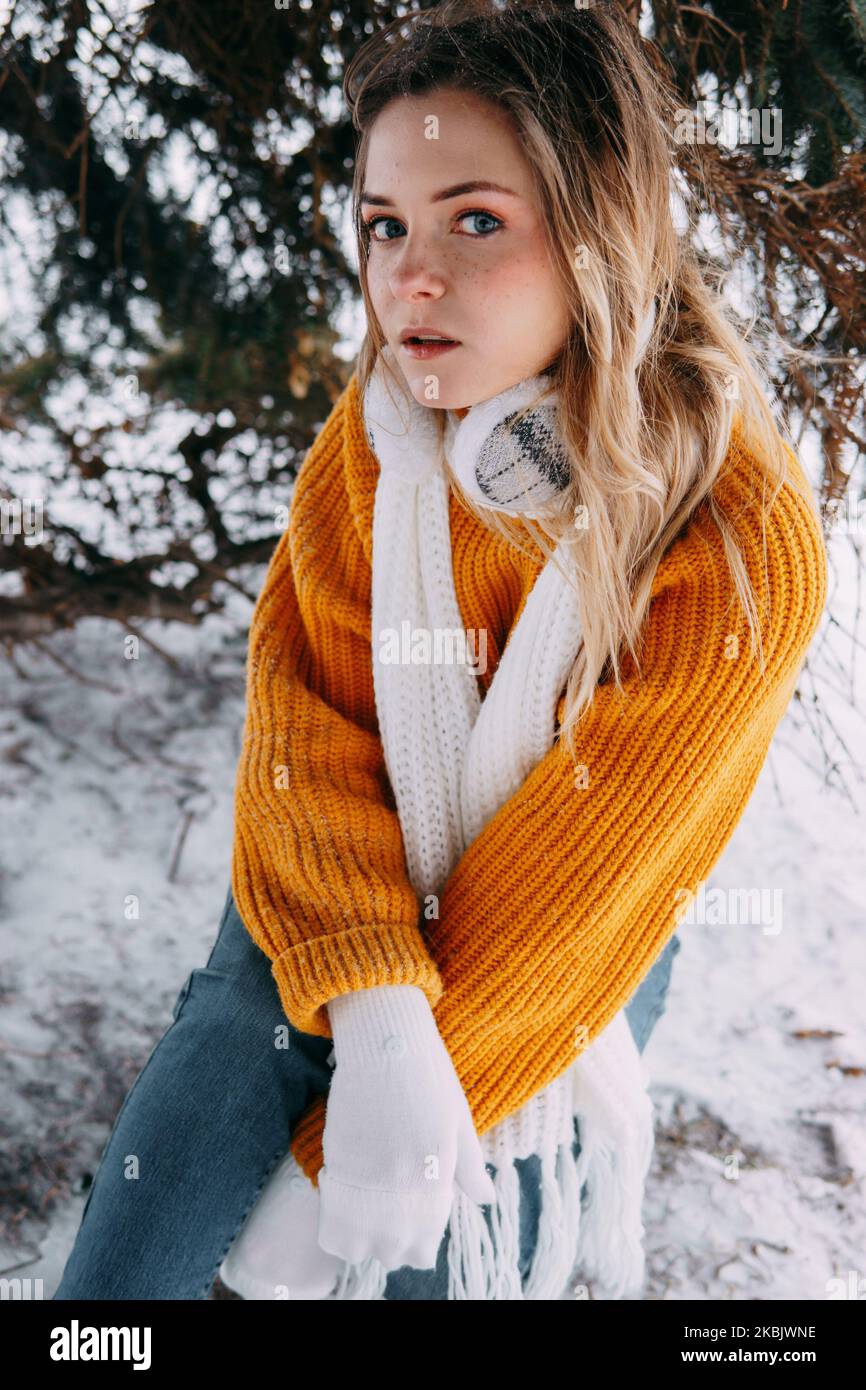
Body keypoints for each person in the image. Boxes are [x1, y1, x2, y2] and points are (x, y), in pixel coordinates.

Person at [54, 0, 827, 1301]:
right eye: (384, 224)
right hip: (339, 875)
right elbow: (306, 726)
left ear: (599, 229)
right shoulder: (380, 441)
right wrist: (368, 1001)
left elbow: (575, 889)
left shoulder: (733, 535)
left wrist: (334, 1157)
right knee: (135, 1268)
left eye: (477, 220)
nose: (409, 276)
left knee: (418, 1251)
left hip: (568, 946)